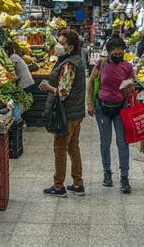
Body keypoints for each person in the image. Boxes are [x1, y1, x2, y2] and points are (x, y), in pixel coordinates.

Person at [39, 30, 86, 197]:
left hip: (66, 114)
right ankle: (77, 183)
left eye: (62, 43)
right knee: (73, 147)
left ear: (70, 47)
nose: (58, 45)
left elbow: (63, 92)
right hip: (75, 112)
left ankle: (58, 186)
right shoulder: (75, 60)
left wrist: (48, 87)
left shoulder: (69, 64)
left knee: (60, 147)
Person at [87, 36, 135, 193]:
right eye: (115, 53)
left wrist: (130, 87)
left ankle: (124, 177)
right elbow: (91, 81)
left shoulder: (127, 67)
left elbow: (131, 86)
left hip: (120, 108)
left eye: (120, 53)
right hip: (102, 108)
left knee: (123, 143)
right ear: (109, 52)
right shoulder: (101, 64)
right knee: (105, 142)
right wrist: (90, 103)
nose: (118, 56)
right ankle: (107, 173)